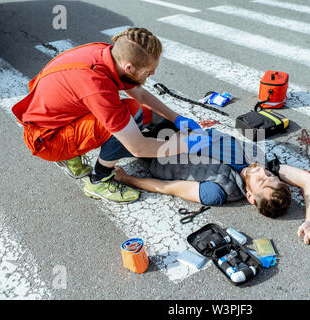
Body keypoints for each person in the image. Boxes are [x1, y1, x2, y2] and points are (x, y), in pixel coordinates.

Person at [12, 27, 207, 204]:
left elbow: (138, 92)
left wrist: (176, 118)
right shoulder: (96, 86)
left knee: (141, 113)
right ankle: (99, 179)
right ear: (129, 67)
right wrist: (187, 145)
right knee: (131, 114)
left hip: (52, 120)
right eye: (149, 71)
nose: (154, 73)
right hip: (47, 140)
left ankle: (73, 153)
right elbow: (138, 148)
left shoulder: (108, 53)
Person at [114, 128, 310, 245]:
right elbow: (309, 180)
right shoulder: (261, 164)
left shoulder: (218, 191)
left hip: (156, 150)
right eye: (269, 174)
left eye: (261, 180)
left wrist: (127, 179)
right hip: (181, 130)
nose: (261, 171)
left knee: (114, 129)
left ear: (250, 197)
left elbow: (169, 187)